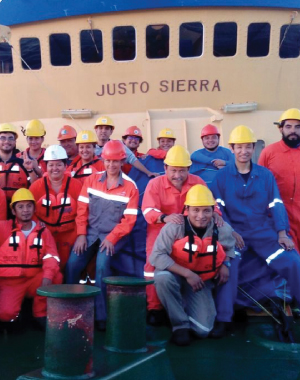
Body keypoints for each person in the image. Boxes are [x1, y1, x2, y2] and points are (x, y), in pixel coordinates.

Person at [210, 125, 300, 338]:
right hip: (235, 234)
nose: (244, 151)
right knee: (229, 266)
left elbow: (276, 204)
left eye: (248, 146)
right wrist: (230, 232)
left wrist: (281, 233)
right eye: (239, 147)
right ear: (231, 148)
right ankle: (224, 318)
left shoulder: (265, 175)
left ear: (253, 148)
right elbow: (218, 209)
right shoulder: (221, 178)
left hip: (263, 232)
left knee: (293, 261)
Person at [142, 145, 222, 325]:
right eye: (174, 170)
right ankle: (154, 307)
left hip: (191, 232)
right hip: (160, 230)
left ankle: (195, 300)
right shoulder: (154, 184)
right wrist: (165, 217)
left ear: (189, 169)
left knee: (199, 260)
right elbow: (148, 210)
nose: (178, 175)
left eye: (182, 170)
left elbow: (211, 203)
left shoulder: (198, 182)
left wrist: (216, 213)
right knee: (151, 265)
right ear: (165, 168)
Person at [65, 140, 139, 331]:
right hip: (90, 233)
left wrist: (112, 238)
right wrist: (81, 234)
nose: (111, 165)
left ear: (122, 162)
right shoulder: (91, 180)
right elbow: (82, 209)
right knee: (73, 263)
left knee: (102, 265)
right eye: (108, 161)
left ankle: (102, 316)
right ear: (103, 160)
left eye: (116, 162)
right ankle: (70, 310)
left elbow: (128, 221)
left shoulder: (131, 187)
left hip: (115, 236)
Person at [150, 185, 235, 345]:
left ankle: (181, 303)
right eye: (195, 210)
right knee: (162, 277)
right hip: (176, 275)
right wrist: (188, 274)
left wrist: (226, 264)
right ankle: (179, 325)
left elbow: (230, 248)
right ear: (187, 209)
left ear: (213, 211)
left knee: (203, 330)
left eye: (206, 211)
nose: (201, 216)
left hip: (200, 282)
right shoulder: (174, 227)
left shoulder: (222, 230)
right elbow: (157, 256)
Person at [0, 188, 62, 328]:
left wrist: (47, 277)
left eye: (29, 206)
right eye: (20, 206)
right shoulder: (4, 228)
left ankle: (40, 313)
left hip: (35, 279)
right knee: (6, 315)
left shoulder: (43, 231)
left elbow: (52, 257)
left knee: (56, 276)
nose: (25, 210)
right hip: (10, 282)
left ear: (34, 209)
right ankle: (16, 314)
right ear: (14, 211)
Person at [30, 145, 82, 271]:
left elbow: (83, 212)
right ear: (46, 167)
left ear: (65, 166)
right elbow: (29, 212)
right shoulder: (36, 187)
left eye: (59, 164)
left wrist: (81, 235)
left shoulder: (77, 186)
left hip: (70, 236)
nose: (55, 168)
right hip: (45, 236)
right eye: (51, 165)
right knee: (48, 269)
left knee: (69, 268)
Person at [258, 108, 300, 253]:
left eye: (297, 126)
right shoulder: (269, 153)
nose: (293, 130)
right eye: (288, 126)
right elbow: (259, 186)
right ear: (280, 129)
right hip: (280, 217)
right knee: (290, 259)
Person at [0, 123, 39, 216]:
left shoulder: (23, 163)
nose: (6, 141)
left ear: (15, 142)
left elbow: (35, 187)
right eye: (3, 138)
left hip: (19, 214)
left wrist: (30, 170)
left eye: (10, 138)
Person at [190, 124, 234, 189]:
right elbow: (193, 156)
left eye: (214, 137)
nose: (210, 140)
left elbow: (238, 166)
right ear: (202, 140)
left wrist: (224, 163)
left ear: (218, 138)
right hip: (203, 194)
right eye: (207, 138)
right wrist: (213, 162)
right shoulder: (198, 154)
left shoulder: (227, 152)